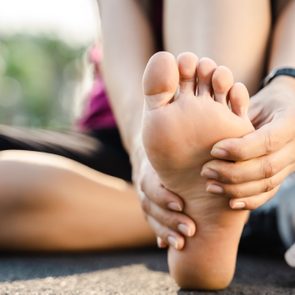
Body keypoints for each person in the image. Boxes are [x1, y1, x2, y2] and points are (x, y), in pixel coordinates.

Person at [0, 0, 295, 289]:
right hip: (139, 143)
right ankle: (227, 209)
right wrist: (143, 155)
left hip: (269, 125)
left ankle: (210, 196)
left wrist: (287, 85)